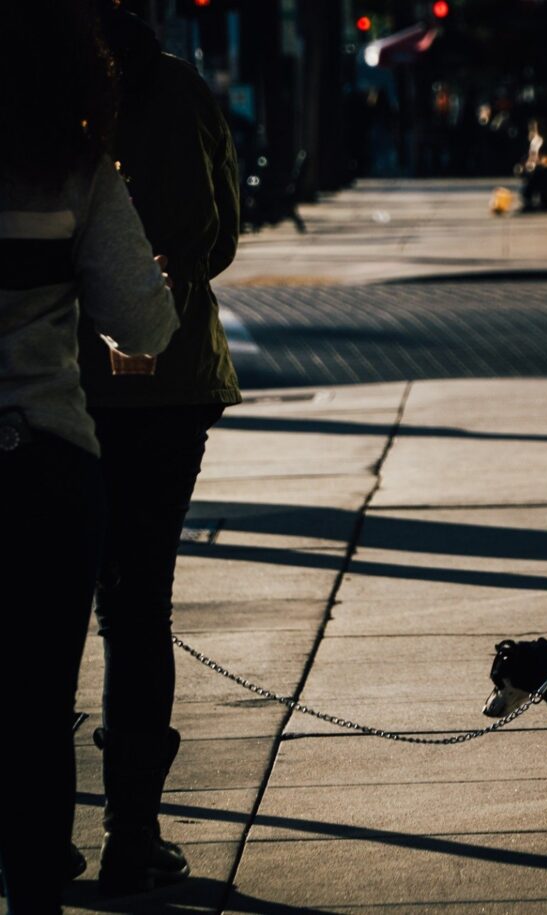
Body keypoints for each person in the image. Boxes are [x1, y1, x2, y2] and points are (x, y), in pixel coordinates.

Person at [0, 2, 178, 910]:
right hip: (46, 468)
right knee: (38, 701)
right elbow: (143, 322)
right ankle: (34, 877)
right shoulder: (76, 171)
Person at [75, 0, 242, 895]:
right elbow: (214, 234)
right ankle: (130, 831)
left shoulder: (39, 90)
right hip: (168, 381)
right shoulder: (176, 90)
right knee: (139, 608)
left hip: (50, 385)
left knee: (43, 610)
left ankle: (31, 821)